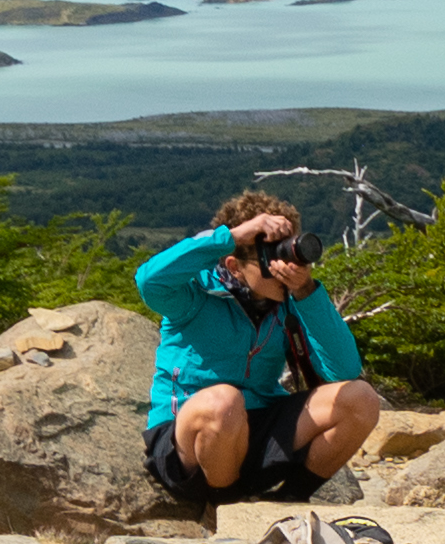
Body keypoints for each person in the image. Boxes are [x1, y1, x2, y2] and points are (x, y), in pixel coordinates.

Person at [136, 192, 381, 512]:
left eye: (290, 254)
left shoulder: (291, 304)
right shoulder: (194, 296)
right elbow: (149, 282)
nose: (285, 267)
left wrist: (306, 291)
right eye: (271, 258)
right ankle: (226, 508)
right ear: (234, 266)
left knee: (361, 398)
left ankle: (290, 500)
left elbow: (343, 370)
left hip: (257, 430)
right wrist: (232, 237)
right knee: (224, 401)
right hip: (189, 444)